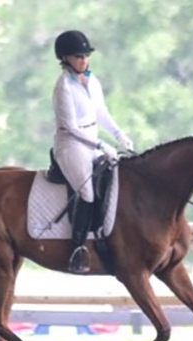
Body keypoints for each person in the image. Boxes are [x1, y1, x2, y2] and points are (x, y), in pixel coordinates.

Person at [51, 30, 133, 273]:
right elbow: (70, 127)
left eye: (86, 56)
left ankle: (109, 237)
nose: (84, 61)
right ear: (65, 58)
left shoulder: (91, 80)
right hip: (71, 145)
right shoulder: (63, 86)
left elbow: (101, 113)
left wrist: (119, 135)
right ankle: (78, 248)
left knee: (115, 180)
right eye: (78, 57)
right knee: (86, 191)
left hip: (93, 140)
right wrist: (99, 145)